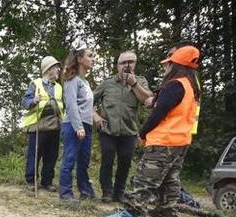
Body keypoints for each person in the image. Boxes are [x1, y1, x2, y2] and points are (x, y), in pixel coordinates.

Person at [100, 45, 201, 217]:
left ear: (176, 65)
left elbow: (158, 113)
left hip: (164, 140)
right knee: (170, 181)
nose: (165, 68)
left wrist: (143, 133)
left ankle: (131, 213)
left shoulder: (175, 85)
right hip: (181, 141)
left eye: (168, 64)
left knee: (144, 178)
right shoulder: (191, 86)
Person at [93, 50, 152, 203]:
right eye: (123, 62)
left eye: (130, 62)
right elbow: (88, 100)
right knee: (107, 159)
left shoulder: (141, 81)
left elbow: (148, 101)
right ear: (117, 65)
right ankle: (107, 192)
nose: (126, 65)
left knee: (125, 163)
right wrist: (95, 116)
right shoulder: (107, 83)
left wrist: (134, 84)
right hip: (107, 130)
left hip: (129, 131)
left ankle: (118, 194)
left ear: (135, 64)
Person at [58, 46, 96, 203]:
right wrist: (78, 127)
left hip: (86, 125)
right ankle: (65, 195)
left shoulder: (85, 82)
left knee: (83, 161)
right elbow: (71, 105)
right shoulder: (72, 80)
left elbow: (83, 104)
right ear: (80, 59)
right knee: (70, 158)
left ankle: (85, 191)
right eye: (90, 56)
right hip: (74, 125)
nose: (93, 59)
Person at [20, 56, 64, 192]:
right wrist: (34, 100)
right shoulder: (36, 84)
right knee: (35, 154)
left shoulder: (59, 87)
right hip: (39, 125)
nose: (59, 70)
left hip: (55, 125)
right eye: (56, 67)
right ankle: (31, 180)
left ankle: (47, 181)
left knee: (52, 155)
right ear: (49, 69)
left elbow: (62, 105)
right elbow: (25, 102)